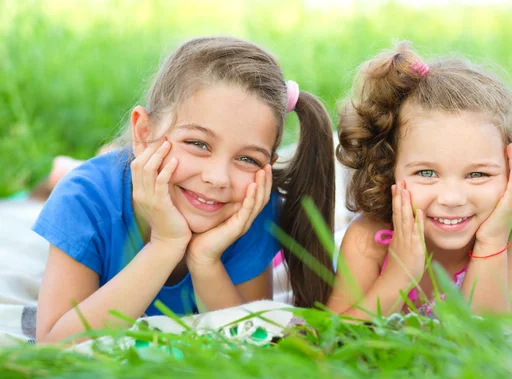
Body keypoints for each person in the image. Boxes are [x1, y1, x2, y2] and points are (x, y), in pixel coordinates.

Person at [33, 36, 335, 343]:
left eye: (247, 159)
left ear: (268, 166)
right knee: (87, 174)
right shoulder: (85, 198)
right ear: (143, 131)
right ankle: (69, 165)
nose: (218, 178)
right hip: (105, 178)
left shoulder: (253, 208)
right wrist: (165, 245)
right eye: (198, 144)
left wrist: (206, 261)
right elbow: (54, 346)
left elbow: (250, 344)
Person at [327, 41, 512, 318]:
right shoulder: (368, 241)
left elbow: (484, 339)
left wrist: (491, 243)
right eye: (427, 173)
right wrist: (400, 274)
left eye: (477, 174)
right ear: (387, 168)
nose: (452, 198)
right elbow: (336, 337)